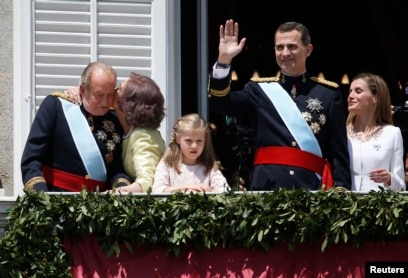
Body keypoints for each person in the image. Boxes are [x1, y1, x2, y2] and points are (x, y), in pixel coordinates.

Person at [208, 19, 351, 191]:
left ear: (308, 50)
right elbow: (220, 103)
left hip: (311, 189)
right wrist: (223, 61)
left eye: (292, 47)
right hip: (267, 188)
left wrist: (342, 190)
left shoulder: (328, 94)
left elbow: (338, 152)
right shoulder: (258, 91)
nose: (285, 53)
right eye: (279, 47)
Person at [21, 61, 132, 192]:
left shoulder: (114, 118)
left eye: (110, 95)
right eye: (99, 95)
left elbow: (116, 169)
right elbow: (32, 159)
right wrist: (41, 197)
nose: (106, 102)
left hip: (99, 205)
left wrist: (122, 191)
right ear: (83, 90)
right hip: (56, 197)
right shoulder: (57, 107)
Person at [346, 72, 405, 192]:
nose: (350, 96)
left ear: (375, 98)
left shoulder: (392, 134)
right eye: (350, 91)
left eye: (358, 91)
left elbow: (401, 186)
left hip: (379, 207)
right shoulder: (341, 132)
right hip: (344, 205)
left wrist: (389, 178)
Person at [110, 72, 166, 193]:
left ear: (129, 103)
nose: (113, 90)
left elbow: (147, 182)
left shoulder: (142, 135)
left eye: (119, 89)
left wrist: (117, 192)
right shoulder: (128, 130)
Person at [152, 113, 229, 193]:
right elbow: (158, 190)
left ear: (205, 141)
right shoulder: (167, 164)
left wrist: (205, 193)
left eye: (199, 141)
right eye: (189, 140)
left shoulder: (209, 167)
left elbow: (225, 191)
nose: (194, 146)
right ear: (178, 139)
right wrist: (187, 188)